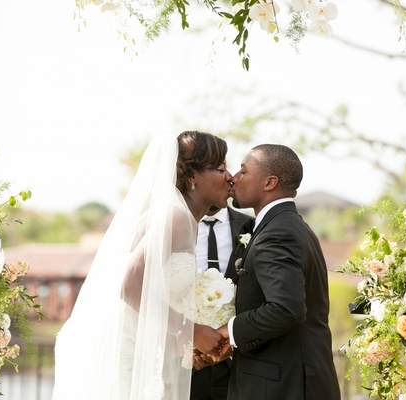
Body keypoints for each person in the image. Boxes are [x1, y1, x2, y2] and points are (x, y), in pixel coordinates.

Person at [52, 131, 234, 400]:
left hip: (146, 348)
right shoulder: (177, 218)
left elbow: (152, 299)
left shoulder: (181, 217)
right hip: (130, 352)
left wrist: (184, 345)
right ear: (193, 176)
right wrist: (191, 331)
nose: (230, 176)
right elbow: (129, 284)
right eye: (220, 169)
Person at [217, 144, 341, 400]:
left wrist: (228, 333)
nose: (233, 178)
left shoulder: (277, 233)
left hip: (283, 387)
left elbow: (286, 308)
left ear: (269, 183)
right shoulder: (291, 226)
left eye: (243, 171)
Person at [191, 205, 254, 400]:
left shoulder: (251, 225)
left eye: (224, 171)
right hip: (185, 367)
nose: (227, 178)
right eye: (218, 171)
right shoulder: (173, 225)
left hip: (238, 363)